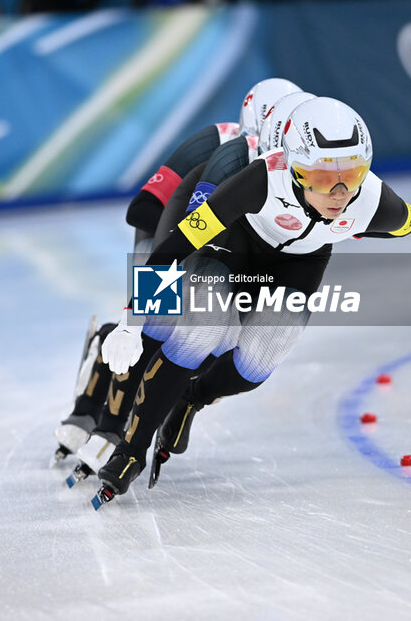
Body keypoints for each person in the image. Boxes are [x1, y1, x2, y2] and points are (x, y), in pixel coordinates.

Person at [93, 97, 411, 505]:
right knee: (201, 330)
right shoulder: (260, 179)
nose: (339, 193)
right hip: (233, 247)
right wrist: (132, 318)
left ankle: (190, 398)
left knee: (262, 356)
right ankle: (130, 451)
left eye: (352, 174)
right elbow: (176, 246)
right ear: (296, 171)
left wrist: (352, 229)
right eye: (321, 178)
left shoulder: (372, 200)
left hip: (298, 264)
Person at [52, 78, 303, 479]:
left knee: (220, 340)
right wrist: (167, 265)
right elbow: (143, 209)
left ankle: (128, 403)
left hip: (220, 249)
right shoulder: (216, 144)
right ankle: (99, 418)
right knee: (157, 326)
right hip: (170, 239)